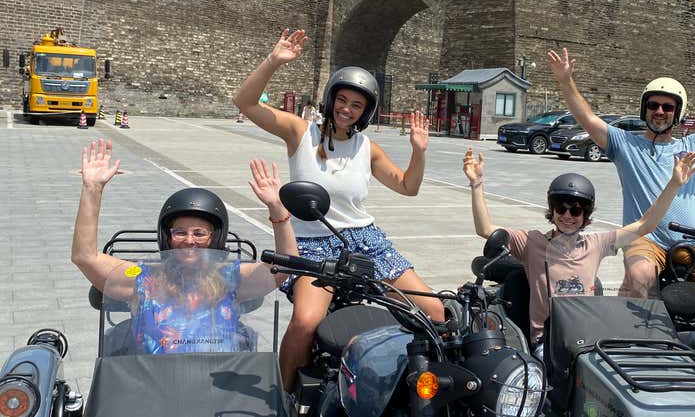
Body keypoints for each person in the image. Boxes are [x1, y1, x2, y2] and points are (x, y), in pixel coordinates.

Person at [233, 28, 444, 392]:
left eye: (356, 105)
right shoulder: (301, 133)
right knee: (305, 321)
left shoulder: (368, 148)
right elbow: (245, 103)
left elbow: (408, 187)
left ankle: (412, 388)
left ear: (365, 112)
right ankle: (284, 397)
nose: (347, 109)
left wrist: (419, 150)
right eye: (342, 100)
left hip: (366, 242)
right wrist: (274, 60)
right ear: (331, 100)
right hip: (313, 244)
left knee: (435, 311)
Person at [546, 48, 695, 297]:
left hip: (693, 243)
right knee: (641, 279)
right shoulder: (624, 144)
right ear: (644, 108)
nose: (659, 111)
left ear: (677, 113)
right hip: (644, 240)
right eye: (653, 105)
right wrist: (566, 81)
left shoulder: (693, 145)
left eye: (667, 107)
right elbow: (587, 117)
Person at [463, 147, 695, 356]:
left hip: (587, 335)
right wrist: (476, 184)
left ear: (585, 216)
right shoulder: (531, 242)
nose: (567, 216)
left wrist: (674, 184)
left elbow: (644, 225)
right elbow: (485, 229)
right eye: (561, 208)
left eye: (576, 211)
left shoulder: (595, 244)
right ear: (552, 210)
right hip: (549, 340)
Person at [71, 139, 297, 354]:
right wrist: (92, 189)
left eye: (199, 233)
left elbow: (286, 266)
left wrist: (277, 208)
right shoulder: (144, 279)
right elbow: (85, 257)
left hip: (219, 389)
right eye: (180, 232)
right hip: (154, 387)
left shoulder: (228, 279)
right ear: (167, 237)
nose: (189, 240)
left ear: (215, 238)